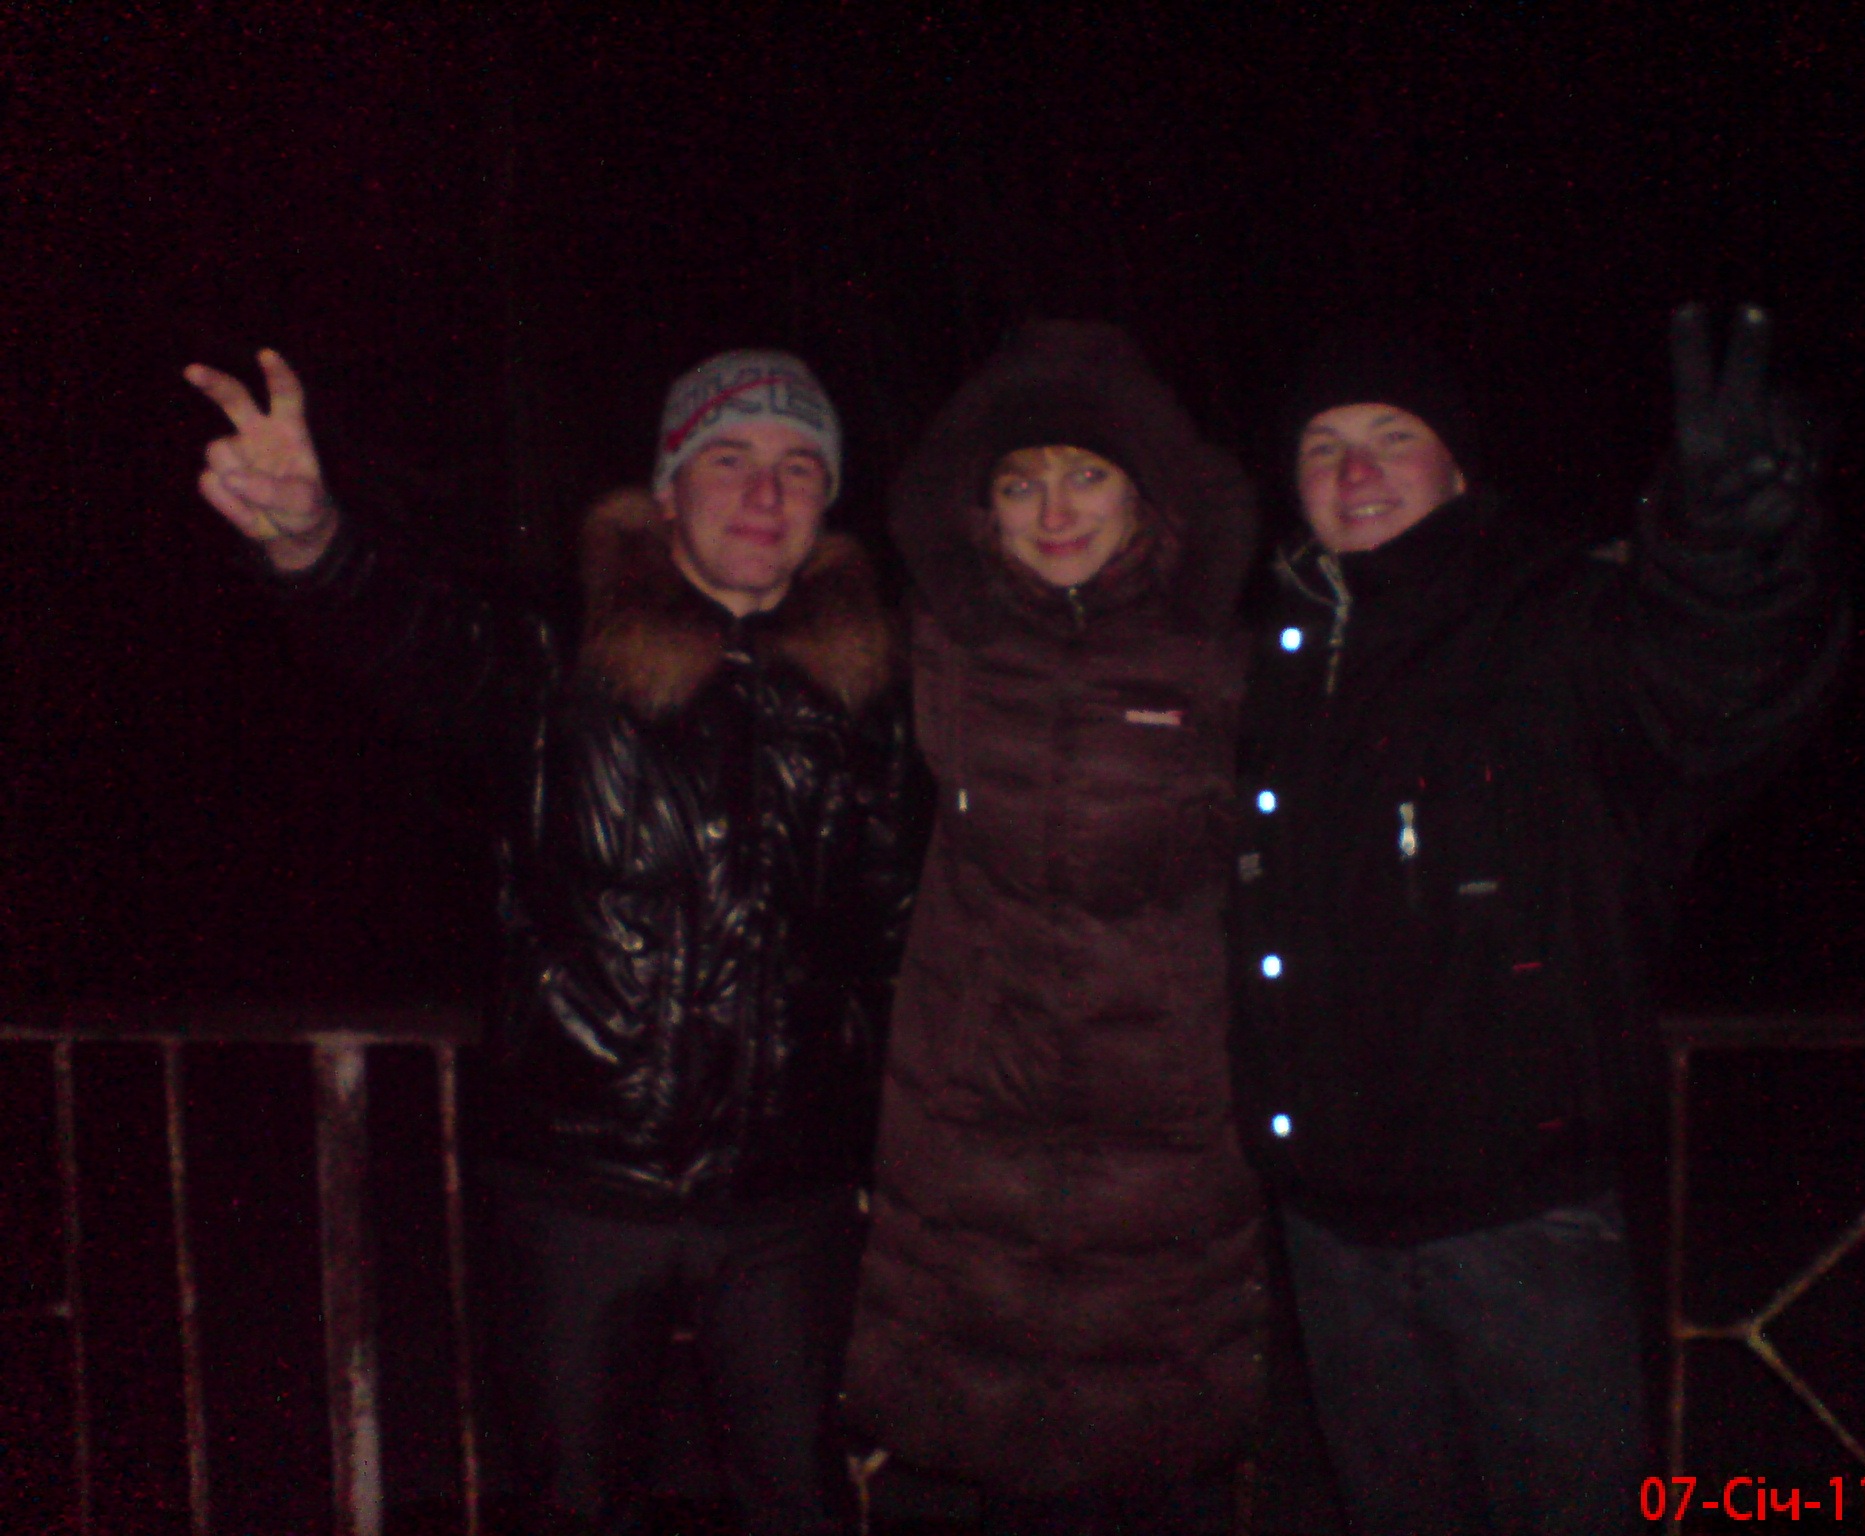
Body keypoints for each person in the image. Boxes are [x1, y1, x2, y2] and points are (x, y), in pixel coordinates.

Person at [184, 347, 923, 1536]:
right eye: (729, 459)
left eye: (798, 467)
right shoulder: (558, 659)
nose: (764, 493)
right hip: (573, 1192)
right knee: (571, 1502)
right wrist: (311, 540)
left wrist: (889, 1159)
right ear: (667, 489)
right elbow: (414, 639)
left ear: (827, 503)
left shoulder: (876, 699)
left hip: (788, 1205)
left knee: (802, 1500)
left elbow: (895, 939)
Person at [1227, 306, 1847, 1534]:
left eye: (1390, 436)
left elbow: (1709, 676)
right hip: (1328, 1233)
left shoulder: (1552, 618)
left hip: (1522, 1229)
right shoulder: (1276, 655)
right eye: (1321, 446)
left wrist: (1728, 543)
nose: (1354, 472)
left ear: (1457, 466)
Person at [842, 321, 1268, 1536]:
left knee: (1160, 1469)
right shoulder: (938, 644)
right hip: (970, 1140)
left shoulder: (1224, 658)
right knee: (975, 1460)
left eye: (1086, 473)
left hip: (1168, 1147)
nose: (1054, 509)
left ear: (1145, 496)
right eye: (1019, 481)